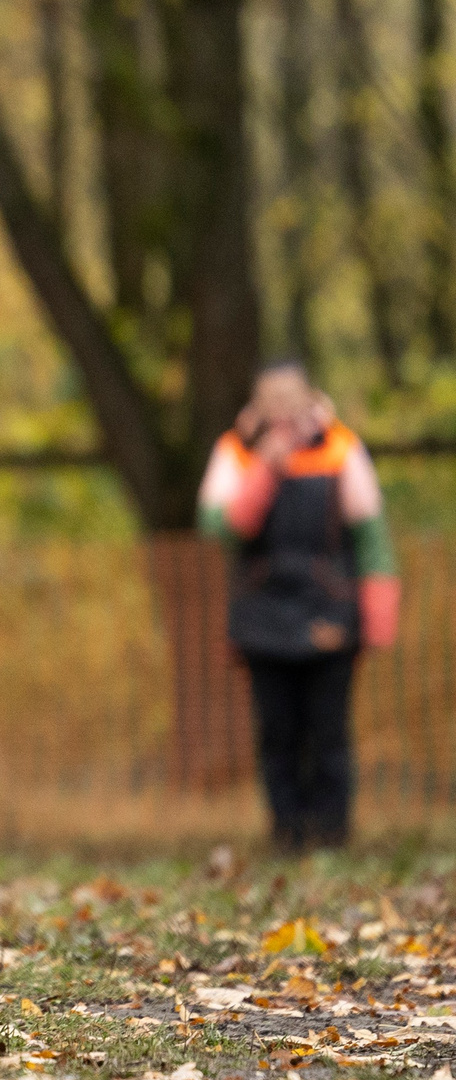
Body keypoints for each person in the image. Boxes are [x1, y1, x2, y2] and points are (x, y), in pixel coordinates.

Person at [197, 360, 400, 852]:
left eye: (291, 395)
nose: (282, 407)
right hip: (261, 615)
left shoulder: (340, 448)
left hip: (329, 609)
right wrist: (265, 469)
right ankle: (287, 834)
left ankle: (331, 834)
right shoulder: (236, 452)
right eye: (272, 397)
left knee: (328, 730)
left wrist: (378, 610)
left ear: (309, 396)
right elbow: (220, 529)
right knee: (277, 732)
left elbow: (371, 536)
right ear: (257, 402)